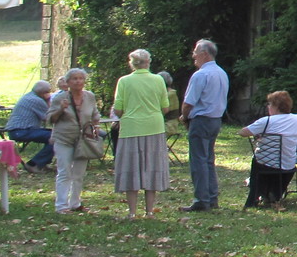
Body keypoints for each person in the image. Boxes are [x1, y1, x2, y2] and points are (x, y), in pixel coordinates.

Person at [111, 49, 171, 219]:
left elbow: (118, 109)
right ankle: (150, 211)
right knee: (151, 168)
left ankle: (131, 212)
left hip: (130, 128)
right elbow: (165, 107)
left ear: (131, 64)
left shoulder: (123, 81)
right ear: (148, 62)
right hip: (154, 127)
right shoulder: (158, 80)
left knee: (131, 168)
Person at [239, 90, 297, 209]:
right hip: (288, 164)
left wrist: (262, 134)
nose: (268, 107)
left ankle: (254, 196)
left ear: (275, 106)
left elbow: (242, 132)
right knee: (278, 161)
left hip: (266, 163)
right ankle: (274, 193)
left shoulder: (266, 121)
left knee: (258, 159)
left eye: (269, 104)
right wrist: (291, 135)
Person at [180, 39, 229, 212]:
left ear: (204, 54)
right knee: (208, 159)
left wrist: (184, 116)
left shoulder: (201, 74)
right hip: (215, 120)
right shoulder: (222, 73)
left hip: (201, 120)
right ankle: (211, 197)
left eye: (195, 52)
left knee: (198, 160)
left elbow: (189, 102)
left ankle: (201, 200)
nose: (193, 55)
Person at [46, 68, 103, 214]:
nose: (78, 81)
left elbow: (95, 115)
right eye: (74, 79)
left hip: (83, 140)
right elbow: (50, 119)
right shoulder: (60, 98)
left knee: (79, 173)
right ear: (68, 82)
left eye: (80, 78)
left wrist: (94, 129)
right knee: (65, 172)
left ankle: (75, 203)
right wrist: (61, 109)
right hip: (64, 139)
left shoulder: (89, 96)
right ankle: (61, 205)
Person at [4, 80, 55, 172]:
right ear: (44, 93)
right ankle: (34, 164)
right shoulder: (37, 100)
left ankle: (42, 163)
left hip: (18, 130)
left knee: (53, 135)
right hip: (21, 131)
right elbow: (50, 118)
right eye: (48, 91)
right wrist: (48, 100)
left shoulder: (29, 96)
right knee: (57, 137)